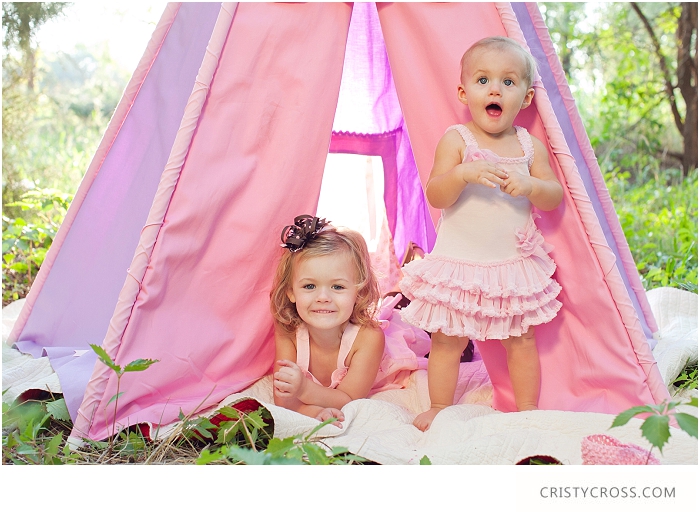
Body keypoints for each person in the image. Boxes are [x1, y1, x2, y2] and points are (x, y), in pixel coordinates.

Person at [400, 36, 564, 431]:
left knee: (521, 340)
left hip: (509, 266)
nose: (495, 89)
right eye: (483, 80)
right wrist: (461, 173)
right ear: (464, 91)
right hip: (461, 263)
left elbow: (554, 195)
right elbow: (436, 194)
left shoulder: (528, 146)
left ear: (525, 99)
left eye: (508, 82)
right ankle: (440, 405)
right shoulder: (458, 139)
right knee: (446, 339)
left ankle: (526, 412)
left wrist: (530, 186)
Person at [270, 215, 420, 428]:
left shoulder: (369, 338)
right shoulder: (288, 329)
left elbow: (349, 398)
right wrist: (313, 411)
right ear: (291, 292)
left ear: (358, 292)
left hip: (398, 344)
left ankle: (411, 270)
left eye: (337, 287)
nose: (323, 297)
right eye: (309, 286)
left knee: (421, 325)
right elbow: (283, 397)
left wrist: (304, 390)